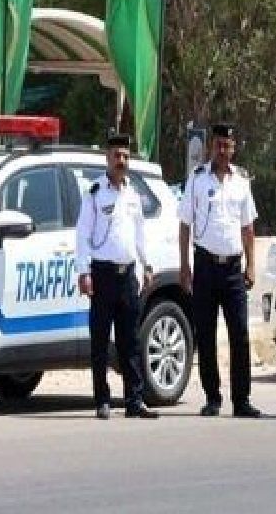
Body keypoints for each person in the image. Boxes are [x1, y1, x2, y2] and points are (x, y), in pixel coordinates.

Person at [179, 122, 261, 418]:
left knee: (239, 334)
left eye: (228, 146)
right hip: (204, 266)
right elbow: (185, 225)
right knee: (206, 333)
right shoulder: (197, 179)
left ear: (234, 148)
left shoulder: (241, 181)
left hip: (232, 269)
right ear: (211, 147)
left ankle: (242, 400)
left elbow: (248, 228)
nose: (223, 151)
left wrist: (252, 264)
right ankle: (212, 397)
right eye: (218, 146)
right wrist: (184, 265)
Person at [76, 133, 158, 420]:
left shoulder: (133, 194)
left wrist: (147, 265)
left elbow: (139, 235)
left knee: (131, 340)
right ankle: (102, 400)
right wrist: (84, 272)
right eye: (116, 156)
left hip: (128, 276)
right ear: (107, 159)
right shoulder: (95, 193)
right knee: (100, 340)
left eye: (125, 156)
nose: (121, 161)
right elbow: (83, 235)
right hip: (102, 275)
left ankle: (134, 400)